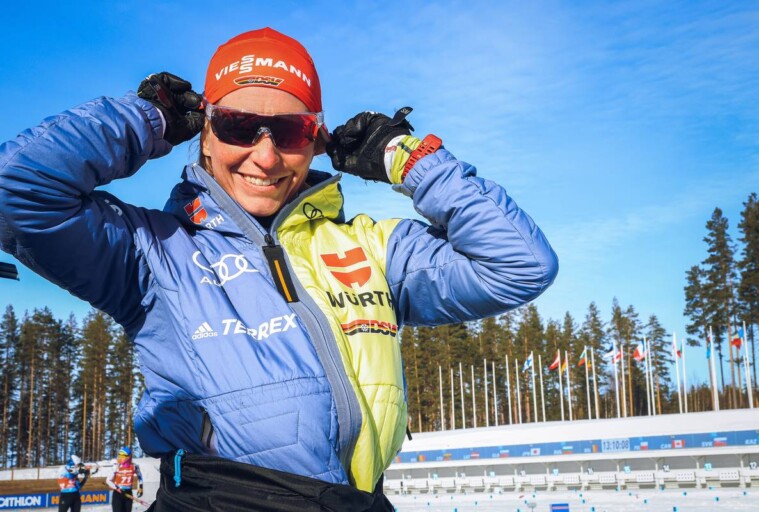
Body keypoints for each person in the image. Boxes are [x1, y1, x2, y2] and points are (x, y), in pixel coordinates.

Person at [0, 27, 558, 511]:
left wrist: (407, 159)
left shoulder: (371, 247)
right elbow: (14, 190)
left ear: (316, 140)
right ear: (204, 134)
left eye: (289, 132)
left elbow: (520, 264)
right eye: (238, 126)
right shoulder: (151, 252)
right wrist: (148, 119)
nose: (265, 157)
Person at [106, 447, 144, 511]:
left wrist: (141, 488)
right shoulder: (116, 466)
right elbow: (108, 480)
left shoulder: (134, 466)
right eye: (119, 455)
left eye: (122, 456)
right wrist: (116, 488)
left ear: (128, 457)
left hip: (128, 493)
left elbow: (140, 476)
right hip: (118, 494)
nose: (120, 457)